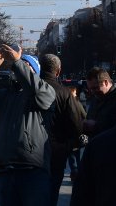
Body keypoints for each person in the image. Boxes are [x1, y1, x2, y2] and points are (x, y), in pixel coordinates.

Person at [0, 44, 55, 206]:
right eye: (15, 67)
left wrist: (17, 61)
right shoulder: (6, 95)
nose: (15, 70)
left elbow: (38, 91)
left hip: (32, 170)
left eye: (25, 66)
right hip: (5, 169)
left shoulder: (44, 92)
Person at [40, 54, 84, 206]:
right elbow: (76, 124)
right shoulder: (65, 93)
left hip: (32, 151)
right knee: (52, 191)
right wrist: (69, 146)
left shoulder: (31, 90)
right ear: (58, 71)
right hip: (57, 150)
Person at [83, 68, 116, 138]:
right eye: (90, 89)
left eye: (95, 88)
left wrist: (96, 126)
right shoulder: (96, 98)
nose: (92, 92)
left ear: (106, 82)